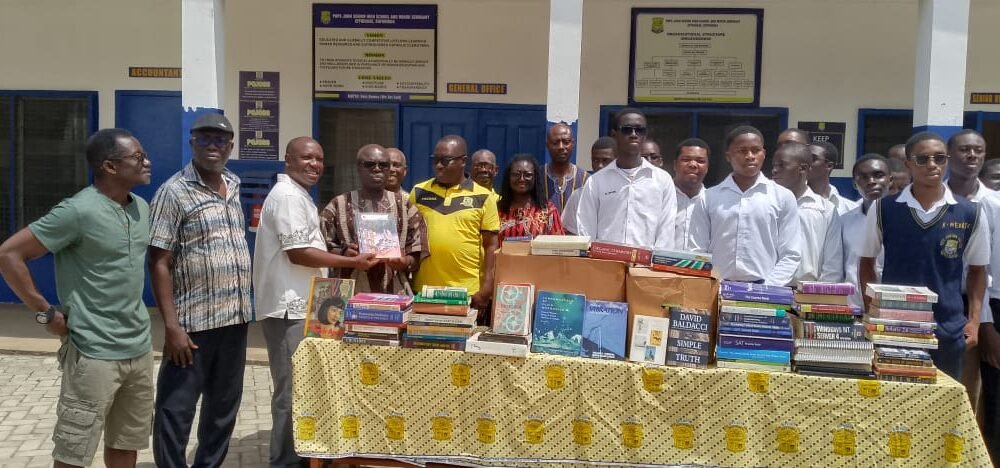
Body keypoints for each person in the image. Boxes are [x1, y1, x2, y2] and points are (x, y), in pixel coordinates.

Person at [0, 129, 152, 468]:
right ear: (110, 166)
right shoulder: (77, 211)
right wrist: (45, 313)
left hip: (139, 349)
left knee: (126, 444)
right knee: (74, 450)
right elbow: (9, 255)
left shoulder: (141, 208)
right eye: (138, 157)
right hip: (93, 352)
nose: (147, 162)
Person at [253, 137, 380, 467]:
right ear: (288, 160)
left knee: (305, 386)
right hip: (288, 309)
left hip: (309, 304)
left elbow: (307, 248)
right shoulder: (286, 197)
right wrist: (352, 263)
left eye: (319, 159)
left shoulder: (299, 196)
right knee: (291, 391)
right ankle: (284, 461)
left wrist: (340, 255)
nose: (314, 164)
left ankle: (306, 454)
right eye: (306, 158)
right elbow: (297, 253)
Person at [149, 113, 252, 467]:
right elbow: (159, 261)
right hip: (193, 325)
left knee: (223, 408)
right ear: (192, 142)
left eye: (220, 140)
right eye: (204, 139)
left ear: (230, 145)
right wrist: (172, 326)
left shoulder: (235, 184)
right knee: (176, 408)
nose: (213, 146)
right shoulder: (173, 192)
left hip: (235, 318)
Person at [859, 131, 990, 380]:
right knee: (895, 401)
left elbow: (977, 271)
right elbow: (866, 263)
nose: (932, 165)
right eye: (923, 159)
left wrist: (973, 322)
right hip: (894, 324)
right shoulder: (883, 208)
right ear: (908, 164)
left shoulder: (969, 212)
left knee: (943, 405)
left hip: (947, 326)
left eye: (940, 158)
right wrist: (872, 312)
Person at [689, 125, 802, 286]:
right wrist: (709, 284)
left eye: (755, 150)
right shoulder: (708, 197)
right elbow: (696, 250)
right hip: (717, 288)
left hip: (766, 289)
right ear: (728, 156)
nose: (750, 156)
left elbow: (791, 253)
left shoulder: (782, 197)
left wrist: (768, 288)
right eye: (742, 151)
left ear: (763, 154)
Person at [322, 144, 429, 294]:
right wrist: (345, 255)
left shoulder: (405, 207)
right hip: (348, 294)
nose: (377, 168)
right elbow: (321, 249)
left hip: (394, 293)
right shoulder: (338, 205)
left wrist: (404, 262)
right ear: (359, 168)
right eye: (370, 164)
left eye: (383, 165)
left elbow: (417, 252)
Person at [411, 135, 500, 314]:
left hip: (467, 291)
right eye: (435, 160)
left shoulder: (484, 196)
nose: (438, 165)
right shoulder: (418, 192)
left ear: (463, 161)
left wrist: (487, 287)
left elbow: (491, 246)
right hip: (424, 290)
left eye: (445, 160)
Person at [575, 108, 677, 248]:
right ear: (614, 134)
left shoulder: (662, 180)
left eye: (639, 130)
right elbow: (586, 230)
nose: (634, 135)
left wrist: (653, 267)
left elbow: (666, 231)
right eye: (627, 130)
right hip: (606, 265)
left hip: (645, 267)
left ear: (645, 136)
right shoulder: (597, 181)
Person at [945, 129, 995, 403]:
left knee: (967, 392)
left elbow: (990, 271)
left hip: (976, 309)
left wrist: (983, 323)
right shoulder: (935, 201)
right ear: (949, 155)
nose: (972, 155)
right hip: (936, 305)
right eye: (965, 149)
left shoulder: (995, 205)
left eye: (978, 150)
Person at [771, 142, 843, 284]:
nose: (774, 170)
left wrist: (820, 296)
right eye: (773, 165)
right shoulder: (766, 205)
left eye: (781, 165)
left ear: (802, 168)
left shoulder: (825, 210)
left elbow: (833, 263)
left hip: (809, 293)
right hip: (769, 289)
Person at [840, 153, 891, 307]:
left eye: (878, 175)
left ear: (890, 179)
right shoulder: (844, 221)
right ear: (855, 184)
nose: (871, 182)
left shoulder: (904, 219)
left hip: (893, 310)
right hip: (853, 308)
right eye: (863, 177)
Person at [497, 154, 565, 241]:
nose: (521, 179)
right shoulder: (497, 210)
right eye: (516, 174)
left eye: (527, 175)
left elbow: (559, 245)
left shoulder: (549, 211)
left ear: (535, 178)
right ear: (509, 177)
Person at [561, 136, 616, 235]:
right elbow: (568, 231)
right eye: (595, 160)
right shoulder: (578, 196)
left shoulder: (625, 193)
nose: (599, 165)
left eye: (606, 161)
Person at [673, 138, 709, 249]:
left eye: (700, 161)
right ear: (675, 164)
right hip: (659, 264)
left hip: (701, 265)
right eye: (686, 159)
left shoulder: (713, 202)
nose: (693, 164)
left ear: (707, 167)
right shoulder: (661, 197)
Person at [543, 123, 587, 212]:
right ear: (547, 145)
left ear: (572, 144)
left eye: (566, 142)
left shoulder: (585, 180)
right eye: (555, 143)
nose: (561, 147)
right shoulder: (536, 177)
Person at [808, 141, 858, 215]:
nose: (805, 163)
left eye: (812, 159)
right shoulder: (792, 201)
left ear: (829, 166)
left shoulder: (850, 209)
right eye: (803, 158)